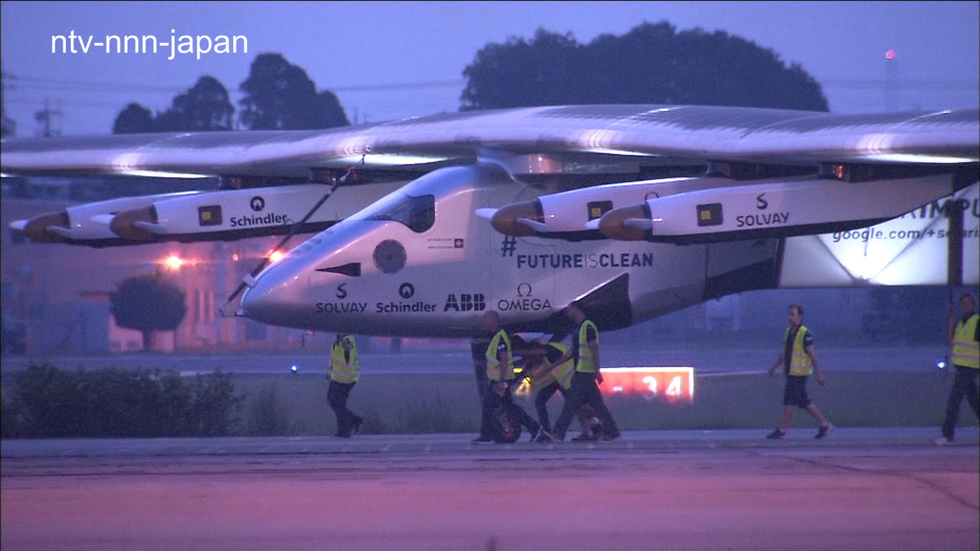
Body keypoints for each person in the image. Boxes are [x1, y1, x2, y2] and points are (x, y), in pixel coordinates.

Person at [550, 301, 621, 442]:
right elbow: (574, 351)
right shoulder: (579, 328)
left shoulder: (588, 327)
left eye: (570, 310)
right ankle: (612, 432)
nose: (568, 313)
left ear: (577, 310)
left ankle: (558, 433)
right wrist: (555, 364)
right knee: (597, 405)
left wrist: (597, 370)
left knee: (570, 403)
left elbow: (594, 349)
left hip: (584, 373)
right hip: (581, 372)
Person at [473, 311, 548, 444]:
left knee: (488, 405)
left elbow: (503, 358)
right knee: (510, 407)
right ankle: (535, 428)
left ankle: (486, 435)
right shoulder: (496, 337)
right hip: (500, 379)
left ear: (493, 321)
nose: (484, 323)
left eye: (486, 320)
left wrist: (502, 381)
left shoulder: (500, 338)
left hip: (501, 380)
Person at [766, 304, 831, 440]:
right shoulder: (789, 331)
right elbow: (785, 353)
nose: (790, 317)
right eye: (789, 314)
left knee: (790, 400)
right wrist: (774, 367)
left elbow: (812, 355)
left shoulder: (805, 333)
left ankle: (782, 429)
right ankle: (824, 424)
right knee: (803, 401)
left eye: (793, 314)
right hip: (791, 373)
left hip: (799, 374)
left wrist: (818, 374)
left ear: (800, 316)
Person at [522, 340, 602, 441]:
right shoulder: (542, 357)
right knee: (542, 402)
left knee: (577, 406)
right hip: (557, 379)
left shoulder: (549, 350)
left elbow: (549, 361)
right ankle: (593, 426)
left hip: (569, 379)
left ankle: (595, 425)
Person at [936, 292, 979, 445]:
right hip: (961, 367)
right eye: (963, 303)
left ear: (973, 305)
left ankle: (947, 435)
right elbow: (952, 342)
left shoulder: (977, 322)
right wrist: (950, 322)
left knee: (954, 401)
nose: (966, 306)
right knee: (974, 401)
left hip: (971, 367)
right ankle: (947, 435)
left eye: (968, 303)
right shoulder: (960, 323)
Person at [328, 333, 363, 438]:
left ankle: (344, 430)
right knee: (334, 402)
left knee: (338, 404)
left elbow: (347, 347)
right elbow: (335, 358)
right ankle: (353, 420)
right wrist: (329, 373)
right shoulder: (337, 341)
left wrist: (341, 338)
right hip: (337, 378)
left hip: (346, 380)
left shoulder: (348, 339)